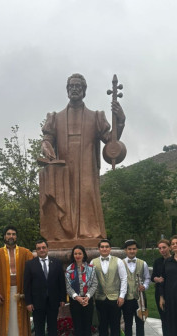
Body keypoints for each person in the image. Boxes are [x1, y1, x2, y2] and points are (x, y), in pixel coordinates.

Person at [39, 73, 124, 244]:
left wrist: (120, 120)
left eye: (78, 86)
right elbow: (47, 140)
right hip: (64, 167)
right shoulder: (55, 117)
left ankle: (88, 234)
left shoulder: (96, 116)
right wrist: (46, 148)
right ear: (67, 90)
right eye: (71, 86)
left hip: (86, 167)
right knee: (64, 200)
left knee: (87, 196)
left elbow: (110, 141)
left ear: (84, 91)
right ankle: (64, 235)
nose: (74, 89)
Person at [0, 226, 33, 336]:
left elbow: (31, 274)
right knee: (5, 321)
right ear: (4, 236)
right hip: (4, 292)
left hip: (21, 292)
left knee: (21, 320)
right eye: (8, 234)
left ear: (16, 237)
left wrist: (29, 293)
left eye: (13, 234)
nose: (11, 236)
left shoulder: (26, 253)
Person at [23, 239, 66, 336]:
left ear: (47, 248)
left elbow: (61, 283)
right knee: (39, 328)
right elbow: (27, 286)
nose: (41, 250)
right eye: (39, 248)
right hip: (37, 303)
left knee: (53, 328)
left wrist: (62, 298)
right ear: (36, 250)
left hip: (53, 302)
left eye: (43, 247)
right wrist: (28, 302)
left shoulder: (56, 263)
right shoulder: (30, 264)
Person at [91, 239, 127, 336]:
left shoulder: (118, 261)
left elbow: (124, 279)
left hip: (115, 298)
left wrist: (122, 296)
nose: (104, 249)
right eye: (102, 247)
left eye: (107, 247)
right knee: (102, 325)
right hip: (100, 298)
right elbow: (91, 281)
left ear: (110, 249)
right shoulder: (93, 262)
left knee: (115, 325)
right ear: (99, 249)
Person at [65, 245, 98, 336]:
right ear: (73, 256)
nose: (77, 256)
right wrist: (77, 297)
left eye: (79, 253)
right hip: (75, 302)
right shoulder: (69, 269)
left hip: (87, 301)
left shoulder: (91, 268)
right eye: (75, 254)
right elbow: (68, 286)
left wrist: (87, 296)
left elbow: (94, 284)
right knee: (78, 326)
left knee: (87, 326)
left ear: (83, 254)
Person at [122, 239, 150, 336]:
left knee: (140, 324)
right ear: (125, 250)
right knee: (128, 324)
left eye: (134, 249)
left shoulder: (143, 263)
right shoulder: (120, 263)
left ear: (136, 250)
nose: (132, 251)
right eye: (129, 249)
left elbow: (147, 278)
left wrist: (145, 286)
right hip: (127, 298)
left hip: (141, 299)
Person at [151, 239, 173, 336]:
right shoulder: (158, 261)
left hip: (172, 294)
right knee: (164, 319)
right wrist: (156, 279)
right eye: (159, 248)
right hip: (160, 292)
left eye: (164, 247)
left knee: (173, 319)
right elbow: (153, 276)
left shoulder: (174, 260)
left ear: (169, 247)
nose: (162, 250)